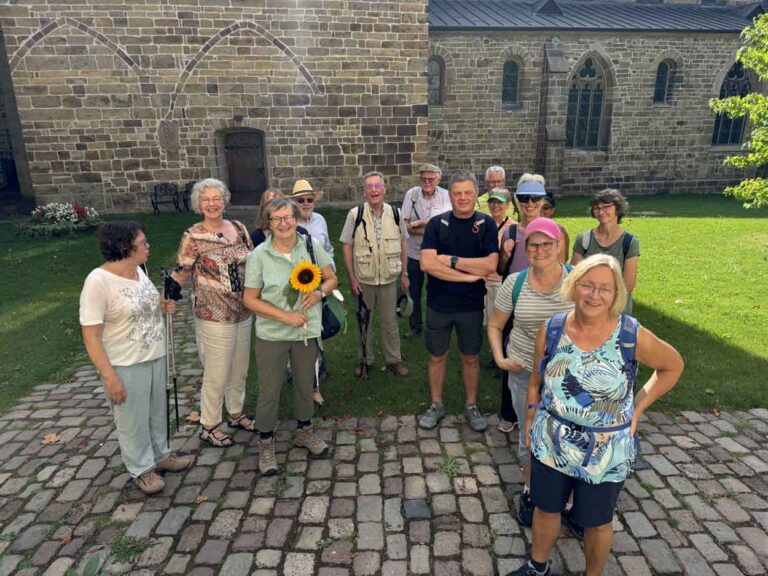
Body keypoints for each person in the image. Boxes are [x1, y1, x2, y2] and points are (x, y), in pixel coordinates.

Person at [505, 254, 683, 576]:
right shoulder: (553, 328)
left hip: (605, 449)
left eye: (605, 288)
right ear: (574, 286)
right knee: (546, 509)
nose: (594, 295)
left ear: (616, 294)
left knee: (597, 521)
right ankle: (538, 566)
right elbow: (536, 380)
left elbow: (672, 366)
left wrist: (638, 407)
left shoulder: (630, 335)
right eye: (587, 285)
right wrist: (531, 418)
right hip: (552, 440)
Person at [80, 221, 191, 495]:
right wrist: (110, 377)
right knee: (132, 420)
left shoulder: (138, 271)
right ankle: (141, 470)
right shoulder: (98, 282)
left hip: (155, 355)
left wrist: (163, 304)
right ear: (124, 248)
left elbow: (145, 304)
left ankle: (161, 455)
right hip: (126, 363)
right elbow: (91, 336)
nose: (148, 246)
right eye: (143, 242)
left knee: (156, 411)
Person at [487, 218, 574, 527]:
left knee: (569, 437)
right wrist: (499, 358)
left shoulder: (576, 281)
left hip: (569, 379)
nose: (540, 250)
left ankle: (568, 498)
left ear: (559, 244)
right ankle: (530, 489)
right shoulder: (515, 283)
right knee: (530, 437)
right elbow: (496, 325)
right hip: (524, 371)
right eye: (533, 245)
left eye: (546, 244)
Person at [243, 198, 338, 476]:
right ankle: (266, 442)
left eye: (288, 217)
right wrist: (285, 317)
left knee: (305, 383)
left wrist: (320, 292)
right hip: (272, 334)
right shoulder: (259, 256)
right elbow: (250, 299)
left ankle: (304, 432)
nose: (284, 223)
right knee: (270, 390)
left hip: (307, 331)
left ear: (296, 218)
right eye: (276, 219)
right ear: (268, 223)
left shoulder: (310, 246)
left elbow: (331, 278)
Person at [171, 178, 255, 448]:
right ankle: (209, 424)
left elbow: (253, 260)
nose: (211, 204)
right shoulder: (193, 235)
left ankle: (235, 413)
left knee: (239, 367)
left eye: (216, 198)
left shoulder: (239, 228)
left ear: (224, 200)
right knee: (217, 371)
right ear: (198, 204)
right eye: (205, 200)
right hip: (213, 312)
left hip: (242, 309)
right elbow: (182, 269)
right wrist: (168, 293)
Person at [418, 170, 499, 432]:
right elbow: (427, 263)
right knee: (437, 356)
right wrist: (466, 277)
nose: (462, 198)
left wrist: (451, 260)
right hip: (438, 304)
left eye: (468, 192)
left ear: (476, 195)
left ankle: (472, 405)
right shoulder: (436, 224)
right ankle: (436, 404)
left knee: (471, 357)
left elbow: (490, 265)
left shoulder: (486, 224)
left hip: (470, 306)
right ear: (450, 195)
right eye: (457, 193)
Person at [340, 171, 409, 377]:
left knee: (390, 322)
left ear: (384, 189)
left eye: (377, 186)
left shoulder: (395, 214)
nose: (373, 190)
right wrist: (352, 277)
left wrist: (404, 273)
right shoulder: (355, 214)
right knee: (364, 322)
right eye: (369, 187)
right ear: (364, 192)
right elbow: (346, 246)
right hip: (364, 279)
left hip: (389, 278)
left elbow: (404, 244)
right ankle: (364, 360)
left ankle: (394, 360)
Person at [289, 178, 335, 404]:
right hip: (295, 287)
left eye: (309, 199)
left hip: (319, 284)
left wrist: (331, 272)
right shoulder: (289, 224)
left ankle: (315, 373)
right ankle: (299, 375)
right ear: (294, 203)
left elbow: (327, 248)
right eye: (301, 200)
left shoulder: (321, 221)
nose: (306, 203)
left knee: (316, 329)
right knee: (298, 331)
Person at [400, 163, 451, 338]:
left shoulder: (445, 196)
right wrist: (427, 224)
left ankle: (434, 324)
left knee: (436, 289)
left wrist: (416, 224)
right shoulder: (412, 194)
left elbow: (445, 228)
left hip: (437, 254)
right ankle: (415, 326)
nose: (426, 182)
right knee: (414, 290)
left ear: (439, 179)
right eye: (423, 179)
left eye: (430, 179)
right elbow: (404, 226)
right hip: (413, 252)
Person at [572, 189, 639, 314]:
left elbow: (628, 285)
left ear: (618, 209)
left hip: (617, 310)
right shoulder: (584, 239)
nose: (601, 211)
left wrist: (604, 303)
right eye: (597, 208)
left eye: (606, 207)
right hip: (588, 307)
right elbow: (574, 276)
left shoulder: (629, 242)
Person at [498, 174, 546, 278]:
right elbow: (500, 270)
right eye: (524, 197)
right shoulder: (509, 233)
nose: (530, 203)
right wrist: (506, 256)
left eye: (536, 197)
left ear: (543, 200)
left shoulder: (554, 233)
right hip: (515, 292)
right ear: (517, 200)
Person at [484, 187, 515, 325]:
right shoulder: (482, 224)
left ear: (508, 205)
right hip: (482, 280)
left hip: (501, 282)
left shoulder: (513, 228)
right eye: (492, 202)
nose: (495, 206)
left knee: (500, 322)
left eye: (499, 202)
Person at [541, 193, 570, 262]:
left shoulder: (560, 230)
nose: (541, 211)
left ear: (552, 210)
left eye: (546, 208)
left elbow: (564, 259)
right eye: (539, 207)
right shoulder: (528, 228)